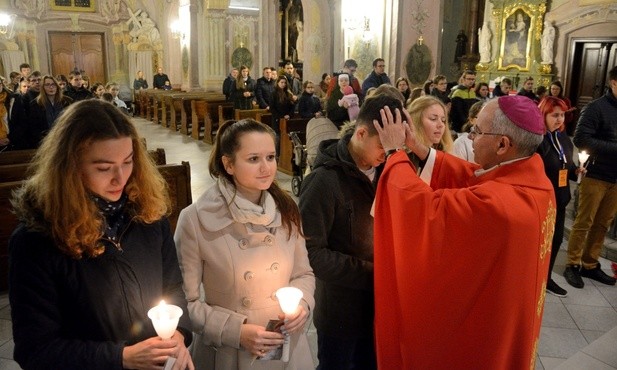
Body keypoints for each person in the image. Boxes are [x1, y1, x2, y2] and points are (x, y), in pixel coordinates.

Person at [372, 95, 555, 369]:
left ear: (503, 144)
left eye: (478, 131)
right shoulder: (537, 185)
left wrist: (394, 154)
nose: (470, 138)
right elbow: (474, 176)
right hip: (511, 320)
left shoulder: (499, 207)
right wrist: (418, 148)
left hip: (486, 335)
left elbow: (426, 208)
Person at [9, 99, 194, 369]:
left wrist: (179, 334)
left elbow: (173, 288)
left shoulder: (149, 217)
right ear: (71, 167)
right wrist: (122, 357)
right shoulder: (35, 241)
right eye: (104, 168)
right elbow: (35, 350)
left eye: (128, 162)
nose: (121, 178)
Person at [174, 119, 315, 369]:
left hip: (285, 346)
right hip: (231, 352)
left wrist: (302, 306)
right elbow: (187, 303)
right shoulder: (195, 219)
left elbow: (303, 273)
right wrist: (236, 332)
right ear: (228, 164)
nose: (266, 168)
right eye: (253, 159)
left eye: (270, 157)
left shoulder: (286, 209)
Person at [299, 93, 404, 370]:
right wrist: (371, 270)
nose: (388, 153)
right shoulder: (323, 182)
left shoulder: (387, 171)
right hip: (340, 312)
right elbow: (310, 253)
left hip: (380, 306)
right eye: (384, 144)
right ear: (360, 133)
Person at [563, 65, 617, 289]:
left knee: (603, 224)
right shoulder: (596, 108)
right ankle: (572, 264)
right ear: (614, 83)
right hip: (595, 174)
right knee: (584, 222)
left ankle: (590, 263)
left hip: (616, 178)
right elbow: (581, 139)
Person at [537, 96, 581, 297]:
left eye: (562, 115)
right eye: (554, 115)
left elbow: (566, 164)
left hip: (560, 198)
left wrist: (575, 172)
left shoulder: (562, 137)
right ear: (543, 114)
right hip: (542, 200)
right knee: (539, 242)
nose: (560, 119)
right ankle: (535, 278)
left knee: (555, 240)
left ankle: (547, 278)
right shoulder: (538, 140)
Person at [406, 96, 453, 166]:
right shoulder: (405, 157)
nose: (441, 125)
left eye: (443, 120)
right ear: (416, 121)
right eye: (433, 119)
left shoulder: (444, 154)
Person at [26, 75, 73, 145]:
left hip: (64, 139)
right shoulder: (36, 104)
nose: (51, 87)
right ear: (43, 87)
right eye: (47, 85)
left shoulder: (67, 102)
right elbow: (34, 127)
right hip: (45, 141)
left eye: (53, 84)